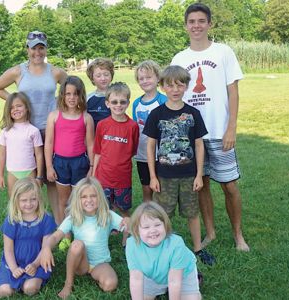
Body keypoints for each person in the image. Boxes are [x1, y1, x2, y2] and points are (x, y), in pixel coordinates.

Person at [171, 2, 249, 251]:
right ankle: (211, 233)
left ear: (209, 24)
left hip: (219, 131)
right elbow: (174, 95)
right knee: (201, 184)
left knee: (229, 185)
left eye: (201, 21)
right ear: (186, 26)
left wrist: (231, 127)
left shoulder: (223, 52)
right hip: (193, 134)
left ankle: (238, 235)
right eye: (192, 21)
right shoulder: (180, 58)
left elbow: (233, 91)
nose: (196, 25)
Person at [143, 65, 215, 265]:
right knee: (163, 214)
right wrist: (152, 176)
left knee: (192, 212)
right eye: (170, 85)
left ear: (186, 86)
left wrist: (199, 174)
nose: (175, 89)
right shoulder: (157, 114)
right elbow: (150, 146)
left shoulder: (193, 113)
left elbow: (199, 145)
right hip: (164, 175)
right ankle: (162, 248)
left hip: (189, 175)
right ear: (163, 87)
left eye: (179, 85)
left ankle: (198, 249)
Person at [0, 30, 67, 210]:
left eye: (41, 48)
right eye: (33, 48)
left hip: (50, 132)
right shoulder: (18, 71)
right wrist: (17, 104)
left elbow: (69, 93)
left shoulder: (56, 72)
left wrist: (59, 106)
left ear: (46, 49)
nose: (37, 53)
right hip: (25, 133)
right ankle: (26, 220)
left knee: (50, 180)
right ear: (27, 49)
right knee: (28, 183)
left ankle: (57, 225)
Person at [39, 177, 129, 299]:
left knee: (110, 284)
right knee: (77, 244)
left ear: (100, 197)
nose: (89, 200)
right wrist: (46, 248)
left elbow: (128, 225)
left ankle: (96, 275)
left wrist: (128, 221)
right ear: (78, 199)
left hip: (100, 263)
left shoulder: (107, 215)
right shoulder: (73, 217)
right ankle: (68, 284)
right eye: (84, 197)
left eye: (93, 196)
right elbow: (55, 237)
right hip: (81, 263)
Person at [92, 82, 139, 246]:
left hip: (122, 177)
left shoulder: (132, 126)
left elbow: (132, 149)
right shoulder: (102, 125)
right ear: (107, 103)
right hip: (103, 176)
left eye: (122, 102)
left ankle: (127, 237)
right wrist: (93, 174)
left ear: (128, 102)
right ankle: (105, 234)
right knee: (104, 208)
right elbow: (98, 150)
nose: (118, 105)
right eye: (114, 102)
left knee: (124, 208)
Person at [44, 75, 94, 226]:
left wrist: (92, 167)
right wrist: (49, 167)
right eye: (68, 94)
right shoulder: (54, 116)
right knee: (63, 201)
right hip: (60, 163)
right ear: (62, 95)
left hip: (80, 163)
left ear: (81, 95)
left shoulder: (86, 118)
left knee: (79, 199)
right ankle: (65, 232)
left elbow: (91, 144)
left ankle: (80, 229)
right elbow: (49, 142)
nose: (72, 98)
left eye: (76, 94)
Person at [0, 178, 56, 297]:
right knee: (4, 291)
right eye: (24, 200)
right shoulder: (12, 220)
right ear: (16, 201)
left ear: (39, 199)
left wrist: (35, 265)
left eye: (33, 199)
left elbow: (45, 248)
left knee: (30, 288)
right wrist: (14, 268)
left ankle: (29, 282)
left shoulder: (45, 219)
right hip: (13, 263)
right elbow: (8, 250)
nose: (29, 204)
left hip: (38, 262)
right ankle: (15, 281)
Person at [126, 201, 201, 300]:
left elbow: (174, 281)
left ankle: (194, 281)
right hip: (152, 275)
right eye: (146, 227)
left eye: (157, 225)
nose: (153, 230)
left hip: (181, 275)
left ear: (165, 225)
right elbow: (136, 279)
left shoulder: (176, 244)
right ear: (137, 230)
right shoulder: (132, 245)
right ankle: (164, 286)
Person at [132, 60, 167, 202]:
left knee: (161, 190)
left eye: (149, 77)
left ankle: (162, 222)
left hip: (161, 156)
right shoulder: (136, 103)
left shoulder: (164, 101)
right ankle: (147, 219)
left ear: (158, 78)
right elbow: (135, 129)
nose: (145, 81)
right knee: (146, 189)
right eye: (141, 78)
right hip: (142, 155)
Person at [0, 92, 44, 197]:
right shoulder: (5, 132)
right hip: (12, 173)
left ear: (27, 108)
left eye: (19, 106)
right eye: (12, 107)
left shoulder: (33, 131)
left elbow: (39, 155)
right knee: (14, 200)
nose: (15, 109)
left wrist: (39, 176)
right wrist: (0, 175)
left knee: (31, 199)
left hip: (30, 171)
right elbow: (1, 155)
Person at [86, 58, 115, 129]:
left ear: (111, 76)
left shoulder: (117, 96)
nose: (103, 78)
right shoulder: (88, 98)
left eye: (106, 74)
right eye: (98, 76)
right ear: (92, 78)